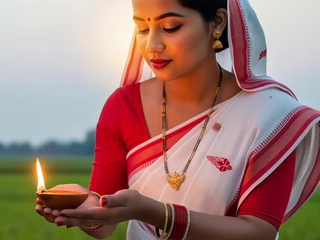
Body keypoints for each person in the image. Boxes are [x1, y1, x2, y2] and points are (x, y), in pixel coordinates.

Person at [36, 0, 320, 239]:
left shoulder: (270, 115)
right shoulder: (122, 106)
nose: (152, 45)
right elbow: (105, 223)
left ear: (217, 24)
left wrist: (154, 212)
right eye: (142, 28)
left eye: (171, 27)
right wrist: (82, 207)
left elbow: (259, 231)